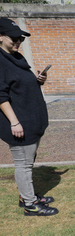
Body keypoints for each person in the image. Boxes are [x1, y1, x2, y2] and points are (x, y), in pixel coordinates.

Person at [0, 18, 58, 216]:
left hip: (31, 121)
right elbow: (1, 95)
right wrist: (14, 122)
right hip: (20, 124)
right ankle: (31, 205)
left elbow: (19, 85)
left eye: (20, 39)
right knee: (23, 164)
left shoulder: (15, 57)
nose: (18, 42)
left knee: (29, 160)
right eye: (14, 38)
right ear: (0, 37)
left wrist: (37, 80)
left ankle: (25, 195)